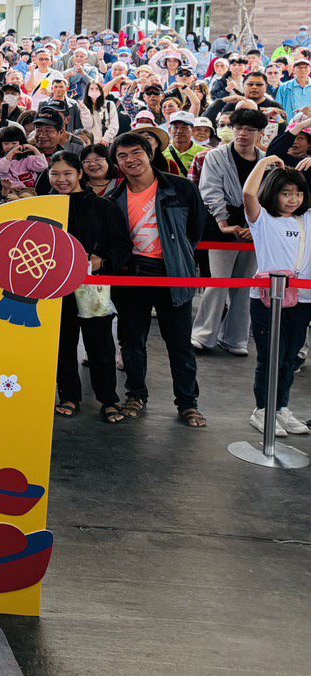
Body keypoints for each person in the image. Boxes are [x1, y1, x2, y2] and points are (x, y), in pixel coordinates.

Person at [107, 131, 211, 427]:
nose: (131, 160)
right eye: (122, 156)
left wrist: (179, 257)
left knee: (180, 344)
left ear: (149, 154)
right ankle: (135, 395)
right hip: (130, 277)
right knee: (131, 341)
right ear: (116, 163)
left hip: (173, 274)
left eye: (136, 153)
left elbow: (195, 229)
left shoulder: (180, 188)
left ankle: (188, 403)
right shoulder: (113, 197)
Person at [47, 152, 131, 423]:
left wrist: (101, 261)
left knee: (100, 344)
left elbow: (122, 246)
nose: (61, 180)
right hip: (54, 287)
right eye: (55, 174)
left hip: (92, 286)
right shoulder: (43, 205)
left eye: (67, 173)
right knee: (62, 344)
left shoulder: (103, 207)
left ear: (80, 174)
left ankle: (109, 399)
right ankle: (68, 396)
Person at [239, 155, 311, 436]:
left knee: (290, 357)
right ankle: (263, 409)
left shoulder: (306, 219)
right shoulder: (263, 220)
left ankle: (281, 408)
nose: (293, 199)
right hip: (267, 298)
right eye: (286, 193)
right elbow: (248, 194)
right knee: (271, 357)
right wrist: (265, 161)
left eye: (298, 193)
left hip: (303, 299)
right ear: (274, 193)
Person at [192, 107, 266, 355]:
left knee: (244, 286)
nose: (243, 133)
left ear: (260, 133)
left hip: (255, 227)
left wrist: (254, 227)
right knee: (218, 282)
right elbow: (210, 191)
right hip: (219, 226)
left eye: (249, 129)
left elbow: (268, 196)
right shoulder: (215, 156)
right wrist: (224, 223)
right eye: (238, 128)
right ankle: (203, 335)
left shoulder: (265, 160)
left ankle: (236, 338)